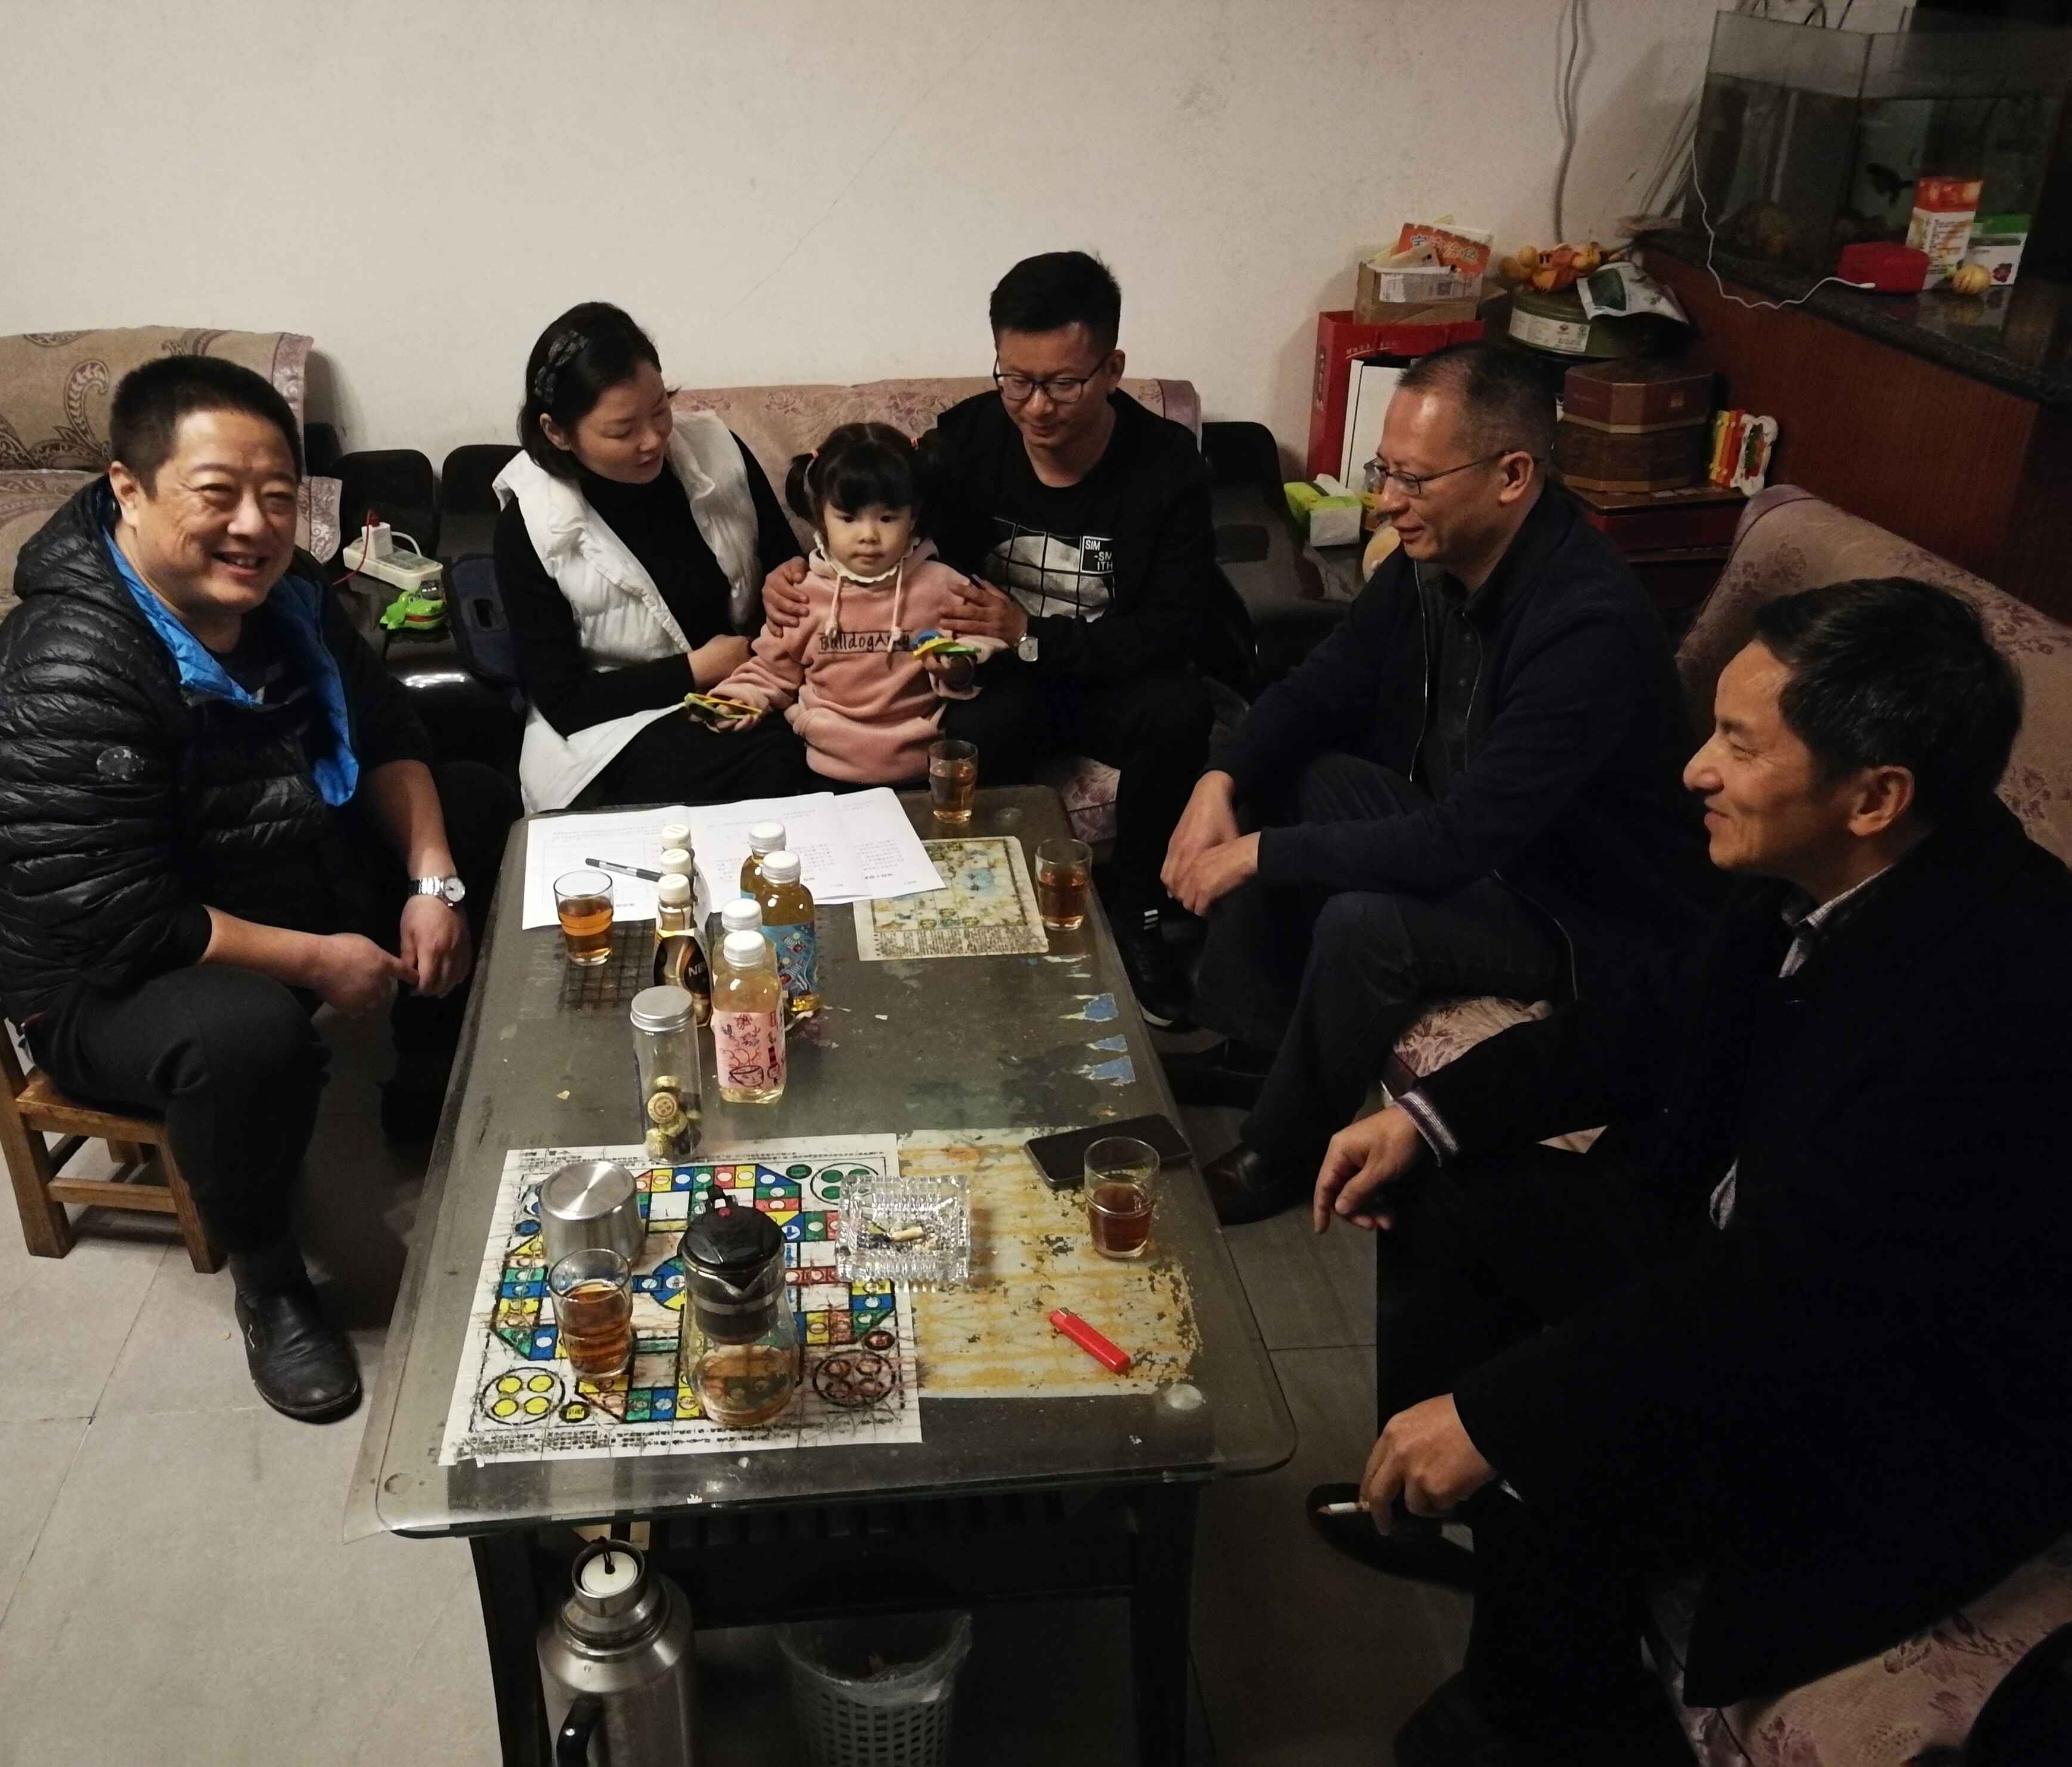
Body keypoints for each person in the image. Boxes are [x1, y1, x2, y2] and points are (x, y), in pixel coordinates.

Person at [1307, 578, 2072, 1764]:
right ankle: (1450, 1508)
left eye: (1738, 744)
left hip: (1894, 1399)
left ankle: (1539, 1711)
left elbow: (1790, 1293)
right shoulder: (1825, 870)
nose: (1693, 770)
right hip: (1754, 1268)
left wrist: (1500, 1417)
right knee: (1446, 1191)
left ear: (1874, 795)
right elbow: (1648, 1021)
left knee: (1563, 1429)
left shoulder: (1996, 994)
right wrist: (1427, 1115)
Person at [0, 356, 516, 1424]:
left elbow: (389, 729)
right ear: (129, 490)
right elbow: (123, 917)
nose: (254, 526)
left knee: (474, 801)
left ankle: (422, 1070)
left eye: (277, 497)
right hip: (110, 975)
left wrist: (432, 883)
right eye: (217, 494)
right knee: (245, 1035)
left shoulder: (289, 599)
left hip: (273, 872)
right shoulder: (65, 665)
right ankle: (270, 1280)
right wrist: (315, 959)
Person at [1161, 341, 1712, 1224]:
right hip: (1483, 841)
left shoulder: (1586, 625)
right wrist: (1219, 780)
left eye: (1413, 480)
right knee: (1283, 766)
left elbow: (1464, 839)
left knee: (1365, 923)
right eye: (1385, 471)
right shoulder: (1431, 565)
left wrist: (1261, 854)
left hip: (1577, 904)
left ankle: (1283, 1150)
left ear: (1512, 475)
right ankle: (1256, 1046)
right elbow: (1322, 684)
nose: (1387, 501)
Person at [762, 251, 1215, 1025]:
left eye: (1063, 383)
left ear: (1111, 370)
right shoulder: (967, 440)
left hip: (1108, 675)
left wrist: (1032, 632)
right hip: (996, 676)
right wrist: (803, 568)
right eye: (1016, 380)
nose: (1036, 407)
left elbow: (1176, 626)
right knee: (967, 732)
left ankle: (1139, 918)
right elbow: (873, 518)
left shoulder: (1166, 466)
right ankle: (977, 920)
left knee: (1180, 712)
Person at [497, 301, 813, 813]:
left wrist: (786, 580)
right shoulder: (529, 524)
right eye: (622, 431)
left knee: (827, 744)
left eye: (661, 411)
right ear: (557, 432)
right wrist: (696, 669)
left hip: (749, 685)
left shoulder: (719, 451)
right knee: (769, 760)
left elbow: (782, 557)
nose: (653, 441)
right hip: (615, 730)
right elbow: (565, 701)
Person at [709, 423, 994, 783]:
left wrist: (958, 667)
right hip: (823, 767)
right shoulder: (800, 594)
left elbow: (982, 644)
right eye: (848, 518)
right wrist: (736, 699)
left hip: (923, 768)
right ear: (821, 516)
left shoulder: (943, 585)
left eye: (887, 518)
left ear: (913, 517)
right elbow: (772, 672)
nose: (868, 536)